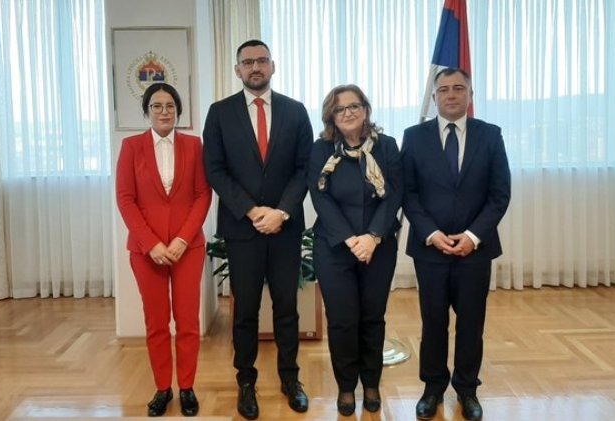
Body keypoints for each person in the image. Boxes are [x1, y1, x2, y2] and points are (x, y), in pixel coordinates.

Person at [202, 39, 312, 420]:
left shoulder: (295, 111)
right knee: (245, 310)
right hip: (242, 229)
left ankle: (290, 378)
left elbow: (304, 168)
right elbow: (215, 169)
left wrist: (281, 212)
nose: (255, 67)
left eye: (262, 60)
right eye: (247, 62)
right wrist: (251, 210)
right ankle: (245, 381)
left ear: (273, 66)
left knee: (287, 308)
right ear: (237, 70)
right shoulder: (219, 113)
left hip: (285, 228)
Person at [401, 68, 511, 421]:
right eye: (444, 89)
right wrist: (431, 233)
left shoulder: (490, 135)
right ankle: (432, 388)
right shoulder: (413, 137)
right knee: (433, 322)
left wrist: (473, 236)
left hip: (474, 250)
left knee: (471, 323)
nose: (451, 94)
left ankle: (467, 389)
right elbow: (408, 193)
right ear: (434, 97)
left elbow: (499, 194)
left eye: (458, 88)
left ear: (470, 95)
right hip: (429, 249)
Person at [116, 83, 212, 417]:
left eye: (170, 105)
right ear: (147, 111)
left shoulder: (194, 145)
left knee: (187, 321)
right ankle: (162, 388)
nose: (164, 112)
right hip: (147, 252)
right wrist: (151, 244)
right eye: (156, 106)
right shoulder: (131, 147)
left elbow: (202, 194)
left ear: (178, 111)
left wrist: (182, 239)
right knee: (156, 323)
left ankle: (186, 387)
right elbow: (125, 199)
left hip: (188, 248)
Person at [307, 85, 402, 416]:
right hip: (334, 246)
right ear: (330, 115)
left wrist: (372, 237)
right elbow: (320, 197)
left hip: (379, 246)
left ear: (366, 109)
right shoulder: (321, 150)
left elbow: (395, 193)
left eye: (354, 106)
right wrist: (351, 239)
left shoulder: (387, 146)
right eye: (339, 108)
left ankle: (371, 383)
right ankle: (346, 386)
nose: (347, 113)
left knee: (373, 317)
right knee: (342, 320)